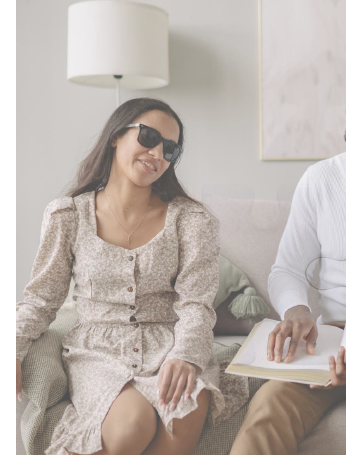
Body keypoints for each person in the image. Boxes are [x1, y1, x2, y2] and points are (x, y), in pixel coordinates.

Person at [15, 98, 240, 455]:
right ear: (117, 135)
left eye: (170, 148)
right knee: (132, 424)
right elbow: (42, 300)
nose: (157, 153)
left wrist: (187, 356)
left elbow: (196, 304)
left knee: (185, 405)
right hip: (98, 350)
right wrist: (12, 346)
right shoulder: (67, 216)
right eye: (148, 137)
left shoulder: (194, 221)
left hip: (171, 346)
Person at [229, 63, 346, 455]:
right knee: (268, 407)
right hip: (335, 348)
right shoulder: (322, 180)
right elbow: (287, 268)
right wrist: (297, 310)